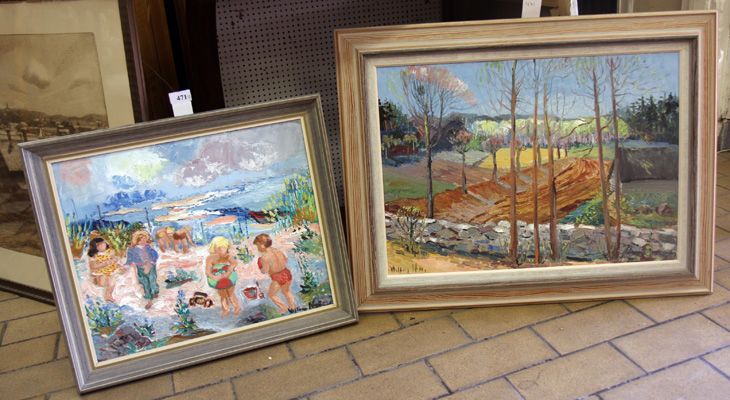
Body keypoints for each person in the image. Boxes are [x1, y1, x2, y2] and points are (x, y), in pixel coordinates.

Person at [254, 233, 297, 314]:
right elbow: (285, 260)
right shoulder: (278, 251)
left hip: (277, 277)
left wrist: (260, 265)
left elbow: (264, 271)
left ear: (262, 245)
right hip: (286, 273)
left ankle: (284, 308)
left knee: (272, 295)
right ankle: (293, 307)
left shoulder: (264, 257)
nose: (257, 248)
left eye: (257, 246)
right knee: (286, 291)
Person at [205, 236, 241, 316]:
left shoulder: (228, 256)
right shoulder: (210, 258)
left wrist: (229, 271)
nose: (221, 250)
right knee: (223, 295)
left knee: (231, 294)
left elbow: (234, 263)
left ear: (227, 248)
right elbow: (207, 271)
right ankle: (226, 309)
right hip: (217, 278)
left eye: (223, 247)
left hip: (229, 277)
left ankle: (237, 307)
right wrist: (214, 277)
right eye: (218, 248)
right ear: (213, 248)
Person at [126, 230, 159, 309]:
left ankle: (155, 291)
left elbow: (155, 255)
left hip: (151, 266)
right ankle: (149, 299)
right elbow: (130, 259)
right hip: (140, 268)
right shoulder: (132, 249)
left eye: (145, 239)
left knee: (152, 280)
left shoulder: (148, 247)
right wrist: (131, 264)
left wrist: (151, 263)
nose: (144, 241)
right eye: (141, 240)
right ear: (137, 240)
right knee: (145, 283)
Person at [87, 237, 121, 302]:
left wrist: (114, 260)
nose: (102, 245)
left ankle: (109, 295)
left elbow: (115, 258)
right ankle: (101, 288)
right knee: (102, 281)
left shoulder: (110, 252)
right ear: (95, 247)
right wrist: (105, 263)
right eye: (99, 245)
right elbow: (93, 266)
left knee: (111, 282)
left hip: (110, 270)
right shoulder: (94, 255)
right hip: (100, 271)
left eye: (103, 243)